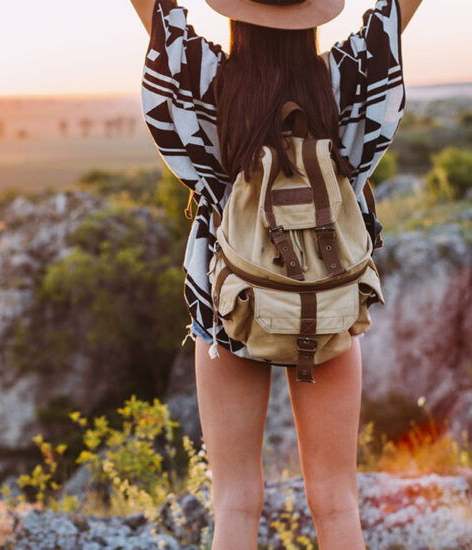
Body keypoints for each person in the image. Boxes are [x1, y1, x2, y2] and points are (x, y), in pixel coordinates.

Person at [126, 0, 421, 548]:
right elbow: (395, 14)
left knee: (235, 504)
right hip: (329, 303)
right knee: (337, 503)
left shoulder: (203, 77)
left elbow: (157, 13)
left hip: (228, 305)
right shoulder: (348, 79)